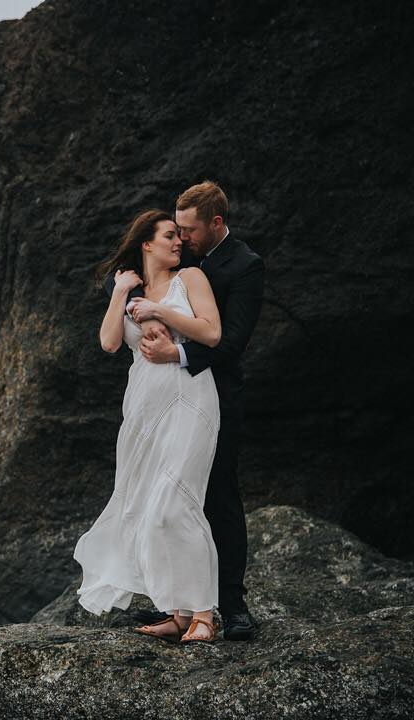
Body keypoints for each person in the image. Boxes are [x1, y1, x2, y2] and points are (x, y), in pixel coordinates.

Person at [73, 209, 224, 643]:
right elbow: (109, 342)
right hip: (142, 403)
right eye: (169, 236)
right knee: (148, 509)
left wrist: (160, 311)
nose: (179, 242)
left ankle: (204, 615)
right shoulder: (129, 286)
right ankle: (178, 613)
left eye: (180, 235)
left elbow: (211, 334)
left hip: (189, 394)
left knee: (176, 503)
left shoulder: (191, 279)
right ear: (146, 243)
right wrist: (121, 292)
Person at [124, 181, 264, 641]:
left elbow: (232, 340)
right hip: (162, 395)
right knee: (165, 494)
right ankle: (178, 605)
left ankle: (231, 607)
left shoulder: (244, 266)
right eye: (176, 230)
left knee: (218, 495)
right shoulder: (173, 259)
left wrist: (177, 357)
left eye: (189, 230)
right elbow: (133, 276)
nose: (181, 238)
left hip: (215, 392)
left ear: (216, 223)